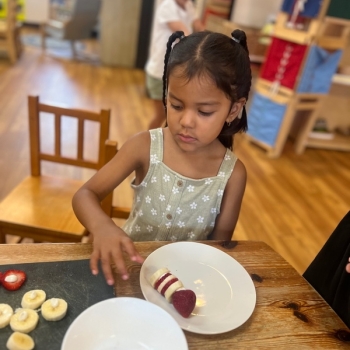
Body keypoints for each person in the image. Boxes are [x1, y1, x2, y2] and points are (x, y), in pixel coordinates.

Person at [72, 29, 252, 286]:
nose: (186, 121)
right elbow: (84, 195)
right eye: (176, 105)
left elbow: (218, 248)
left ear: (233, 109)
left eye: (204, 111)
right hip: (129, 271)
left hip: (186, 284)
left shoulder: (232, 175)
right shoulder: (144, 145)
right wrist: (102, 227)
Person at [145, 0, 204, 130]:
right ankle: (149, 144)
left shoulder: (188, 5)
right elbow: (184, 33)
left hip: (174, 71)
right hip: (159, 72)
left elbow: (199, 25)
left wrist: (210, 38)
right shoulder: (167, 7)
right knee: (161, 115)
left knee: (172, 116)